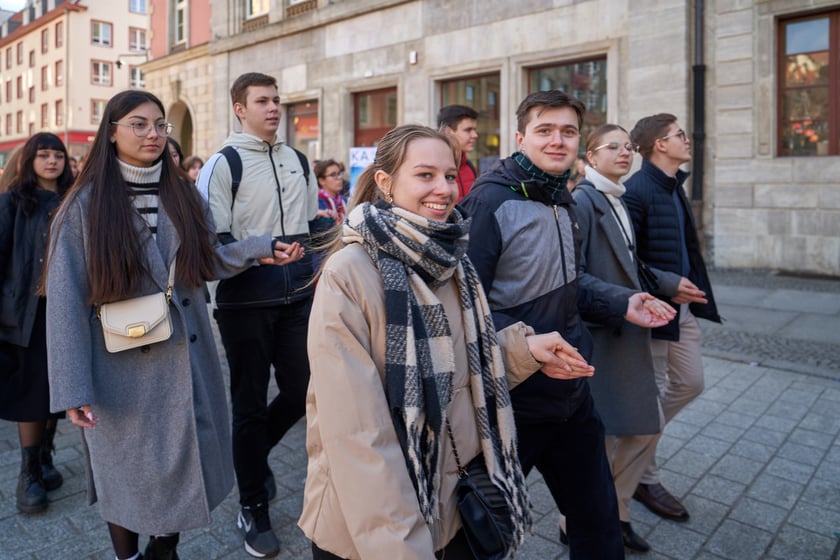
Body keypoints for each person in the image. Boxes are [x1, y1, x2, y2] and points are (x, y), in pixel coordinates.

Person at [299, 124, 588, 559]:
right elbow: (358, 435)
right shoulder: (350, 272)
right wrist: (403, 547)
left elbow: (460, 368)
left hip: (449, 504)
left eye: (450, 176)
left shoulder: (453, 261)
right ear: (385, 183)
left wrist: (524, 350)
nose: (444, 189)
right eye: (425, 175)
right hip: (369, 526)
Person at [42, 90, 300, 560]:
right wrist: (72, 388)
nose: (153, 133)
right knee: (123, 470)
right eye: (138, 124)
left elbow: (205, 261)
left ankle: (164, 549)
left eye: (160, 124)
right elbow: (63, 303)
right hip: (117, 366)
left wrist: (258, 247)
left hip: (184, 356)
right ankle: (128, 556)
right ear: (112, 132)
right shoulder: (83, 206)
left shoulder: (181, 192)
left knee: (183, 464)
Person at [460, 90, 670, 559]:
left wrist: (623, 301)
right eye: (545, 130)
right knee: (477, 535)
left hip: (574, 394)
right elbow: (465, 308)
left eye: (568, 131)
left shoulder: (565, 200)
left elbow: (572, 285)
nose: (558, 140)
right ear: (520, 138)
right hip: (514, 402)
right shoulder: (490, 201)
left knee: (599, 525)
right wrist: (531, 347)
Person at [198, 72, 318, 558]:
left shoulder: (297, 159)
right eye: (262, 101)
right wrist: (261, 250)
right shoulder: (222, 164)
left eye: (276, 100)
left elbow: (312, 225)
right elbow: (213, 245)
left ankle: (251, 457)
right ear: (239, 109)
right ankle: (252, 504)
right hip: (244, 303)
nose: (274, 108)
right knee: (247, 404)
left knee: (302, 390)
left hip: (299, 298)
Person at [571, 124, 679, 551]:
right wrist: (625, 299)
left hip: (626, 325)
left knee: (634, 428)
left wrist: (661, 287)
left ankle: (611, 511)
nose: (624, 153)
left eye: (628, 147)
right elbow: (573, 275)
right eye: (612, 147)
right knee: (615, 432)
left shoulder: (615, 197)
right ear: (591, 157)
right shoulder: (584, 200)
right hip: (606, 328)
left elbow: (633, 261)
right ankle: (596, 515)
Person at [622, 113, 720, 522]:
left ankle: (637, 446)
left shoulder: (673, 186)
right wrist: (665, 285)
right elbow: (626, 258)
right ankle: (644, 474)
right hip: (656, 309)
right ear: (659, 144)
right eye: (680, 134)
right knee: (653, 400)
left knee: (691, 383)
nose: (687, 138)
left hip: (682, 309)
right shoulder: (637, 190)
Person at [1, 133, 74, 514]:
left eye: (57, 155)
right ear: (29, 159)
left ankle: (46, 457)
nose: (51, 161)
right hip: (25, 316)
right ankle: (27, 474)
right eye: (43, 155)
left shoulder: (74, 201)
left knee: (56, 390)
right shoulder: (13, 202)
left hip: (65, 314)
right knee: (31, 394)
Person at [436, 104, 479, 200]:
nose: (475, 135)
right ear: (448, 131)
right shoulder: (432, 167)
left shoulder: (470, 167)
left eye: (474, 130)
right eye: (468, 130)